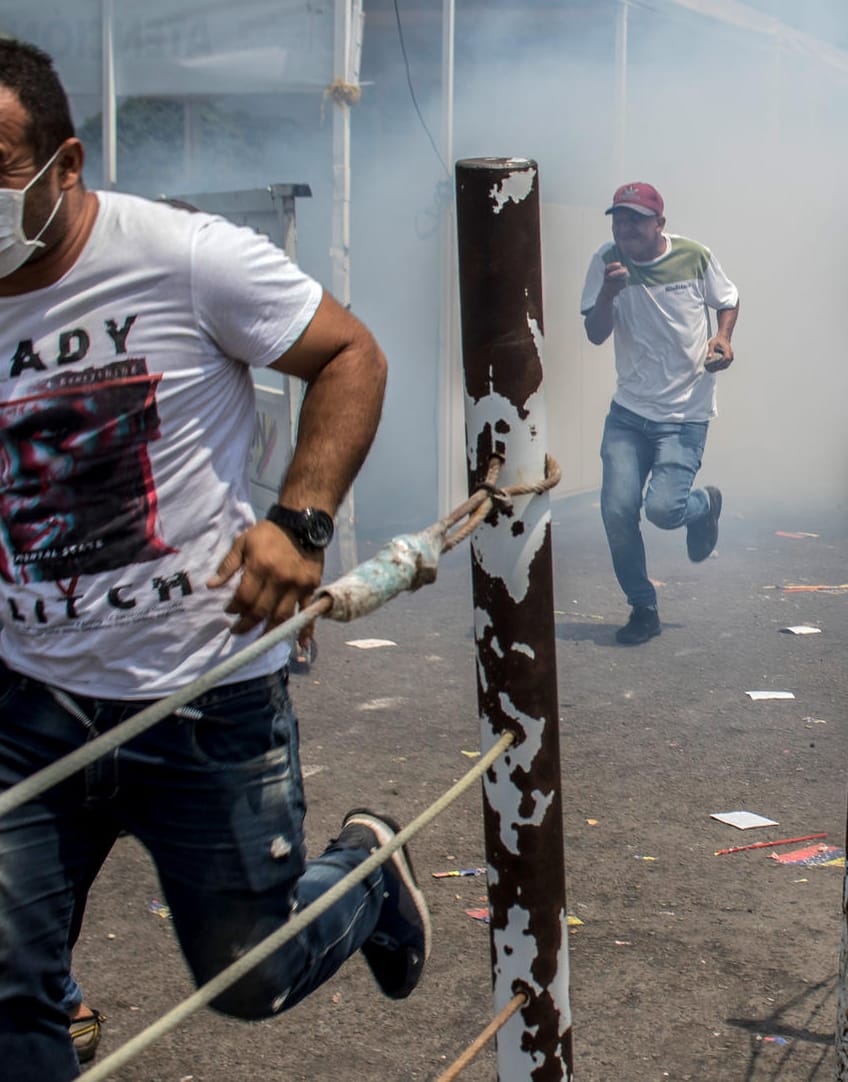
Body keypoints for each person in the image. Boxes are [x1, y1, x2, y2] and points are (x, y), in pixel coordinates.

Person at [0, 40, 427, 1077]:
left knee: (251, 973)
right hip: (29, 701)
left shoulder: (183, 255)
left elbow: (349, 354)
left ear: (65, 163)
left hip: (201, 694)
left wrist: (300, 523)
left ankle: (365, 873)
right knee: (9, 989)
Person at [581, 181, 738, 645]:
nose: (625, 228)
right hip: (628, 414)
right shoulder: (606, 261)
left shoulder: (695, 256)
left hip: (685, 414)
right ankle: (642, 608)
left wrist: (723, 339)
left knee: (665, 512)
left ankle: (704, 505)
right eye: (619, 219)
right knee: (616, 511)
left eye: (635, 219)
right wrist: (610, 293)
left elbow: (727, 299)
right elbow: (594, 333)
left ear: (659, 224)